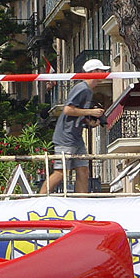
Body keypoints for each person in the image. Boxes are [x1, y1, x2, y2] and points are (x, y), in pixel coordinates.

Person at [43, 64, 106, 194]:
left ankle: (81, 201)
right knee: (60, 172)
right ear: (93, 71)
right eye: (102, 70)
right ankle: (39, 198)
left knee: (83, 170)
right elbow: (68, 110)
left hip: (75, 137)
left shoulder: (87, 90)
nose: (105, 73)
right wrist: (91, 112)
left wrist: (88, 121)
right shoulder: (82, 88)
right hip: (66, 137)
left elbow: (76, 114)